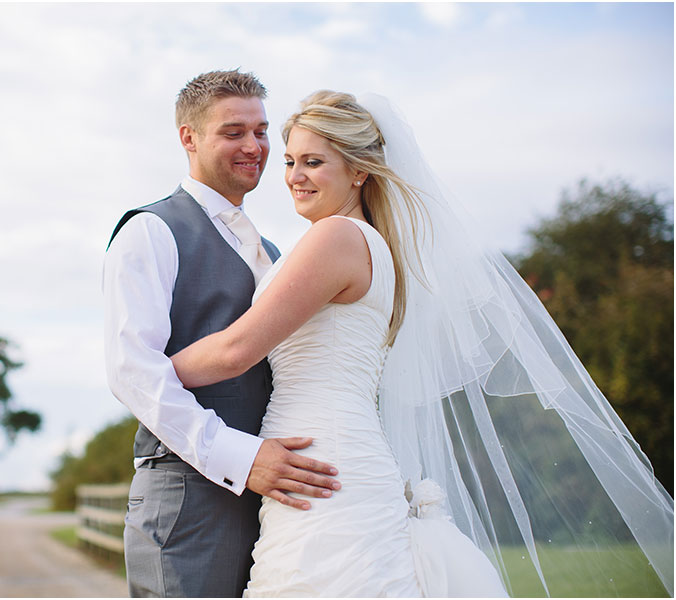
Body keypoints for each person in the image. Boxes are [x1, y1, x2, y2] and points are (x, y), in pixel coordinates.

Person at [171, 91, 674, 597]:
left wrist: (147, 372)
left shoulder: (337, 238)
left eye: (314, 162)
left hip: (323, 467)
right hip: (326, 460)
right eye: (290, 161)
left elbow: (238, 349)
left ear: (360, 171)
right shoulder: (372, 244)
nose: (294, 176)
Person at [103, 71, 341, 598]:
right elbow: (131, 370)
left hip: (276, 502)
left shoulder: (275, 253)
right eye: (233, 132)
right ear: (188, 137)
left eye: (261, 131)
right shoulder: (151, 230)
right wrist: (242, 457)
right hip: (189, 496)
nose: (254, 146)